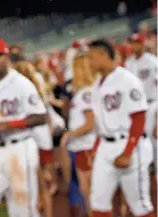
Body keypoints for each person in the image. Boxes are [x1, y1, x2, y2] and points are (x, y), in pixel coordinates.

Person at [0, 38, 47, 217]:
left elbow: (41, 116)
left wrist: (9, 124)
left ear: (6, 56)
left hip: (20, 148)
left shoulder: (21, 83)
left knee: (22, 207)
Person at [88, 39, 154, 217]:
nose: (89, 61)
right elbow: (101, 122)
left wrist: (128, 151)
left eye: (91, 57)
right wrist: (95, 148)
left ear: (103, 55)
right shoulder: (96, 86)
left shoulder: (127, 79)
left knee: (139, 205)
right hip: (105, 145)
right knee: (98, 203)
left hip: (130, 144)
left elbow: (139, 117)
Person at [15, 61, 54, 217]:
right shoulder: (37, 88)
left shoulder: (24, 90)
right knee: (42, 186)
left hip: (34, 141)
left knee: (38, 186)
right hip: (44, 140)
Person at [60, 53, 96, 216]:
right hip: (81, 145)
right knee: (85, 190)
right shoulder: (82, 93)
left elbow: (90, 123)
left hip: (87, 145)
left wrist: (69, 135)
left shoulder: (86, 93)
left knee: (90, 191)